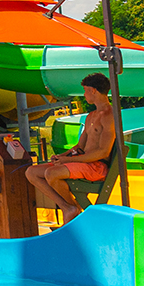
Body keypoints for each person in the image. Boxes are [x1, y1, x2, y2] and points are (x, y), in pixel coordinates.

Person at [25, 72, 115, 224]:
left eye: (86, 91)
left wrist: (68, 159)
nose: (84, 95)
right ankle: (68, 207)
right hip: (82, 163)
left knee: (51, 173)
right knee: (31, 172)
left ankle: (72, 209)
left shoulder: (109, 115)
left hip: (96, 167)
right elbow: (80, 146)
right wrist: (64, 156)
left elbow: (103, 151)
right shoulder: (91, 115)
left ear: (93, 90)